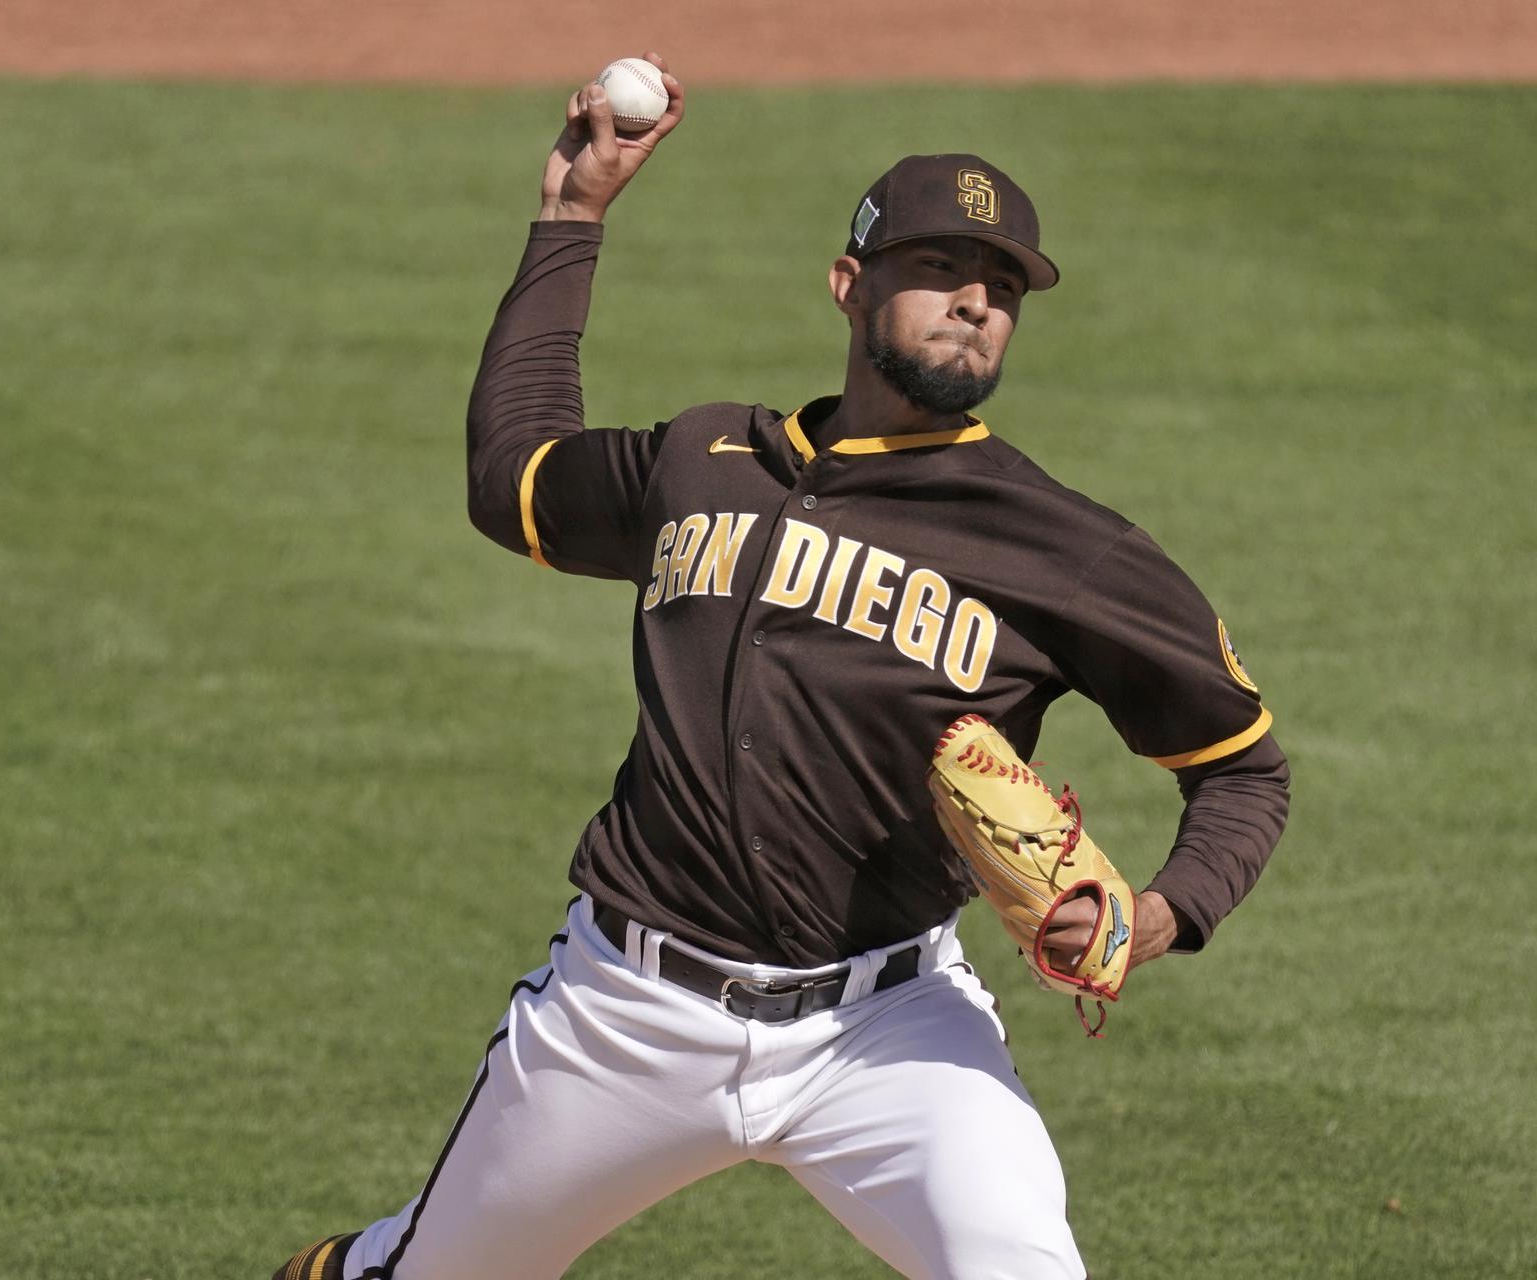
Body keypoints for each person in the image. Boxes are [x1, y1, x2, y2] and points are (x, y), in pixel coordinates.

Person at [276, 51, 1289, 1280]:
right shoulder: (707, 460)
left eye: (1001, 285)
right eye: (937, 270)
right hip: (626, 1012)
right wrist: (570, 218)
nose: (975, 299)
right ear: (849, 286)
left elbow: (1243, 771)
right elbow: (516, 482)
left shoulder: (1064, 546)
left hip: (891, 1028)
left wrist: (1154, 912)